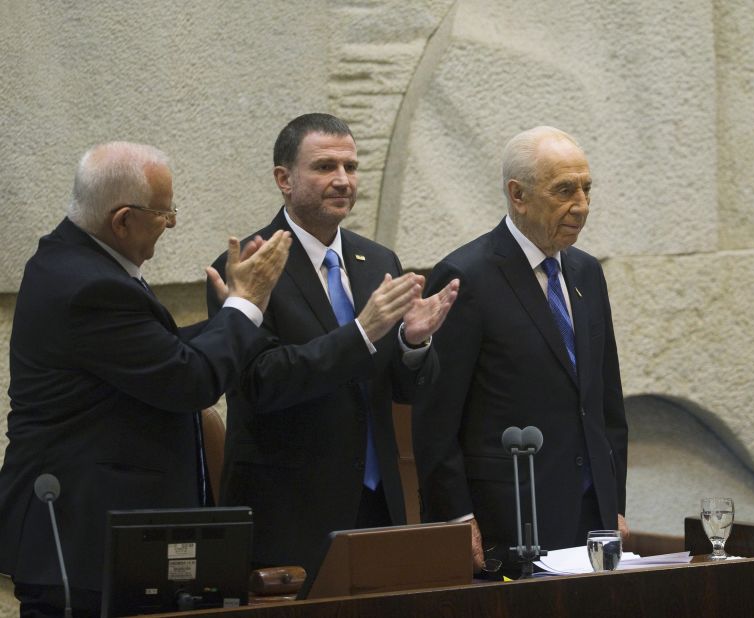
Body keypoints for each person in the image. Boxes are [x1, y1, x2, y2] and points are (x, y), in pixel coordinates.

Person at [0, 141, 291, 617]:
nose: (172, 223)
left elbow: (154, 354)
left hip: (95, 541)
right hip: (81, 543)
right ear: (122, 220)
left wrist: (234, 318)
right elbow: (188, 381)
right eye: (165, 212)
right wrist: (246, 305)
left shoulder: (71, 262)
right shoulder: (89, 286)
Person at [206, 113, 459, 571]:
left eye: (351, 166)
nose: (343, 180)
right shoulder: (250, 266)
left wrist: (413, 345)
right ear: (284, 178)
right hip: (289, 512)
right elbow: (261, 383)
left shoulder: (376, 259)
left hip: (378, 503)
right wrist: (362, 332)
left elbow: (405, 389)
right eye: (325, 167)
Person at [414, 126, 629, 573]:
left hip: (593, 515)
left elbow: (606, 402)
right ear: (518, 194)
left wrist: (615, 503)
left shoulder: (587, 273)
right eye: (565, 190)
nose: (582, 206)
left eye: (587, 189)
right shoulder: (466, 276)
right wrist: (456, 517)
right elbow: (436, 416)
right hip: (509, 517)